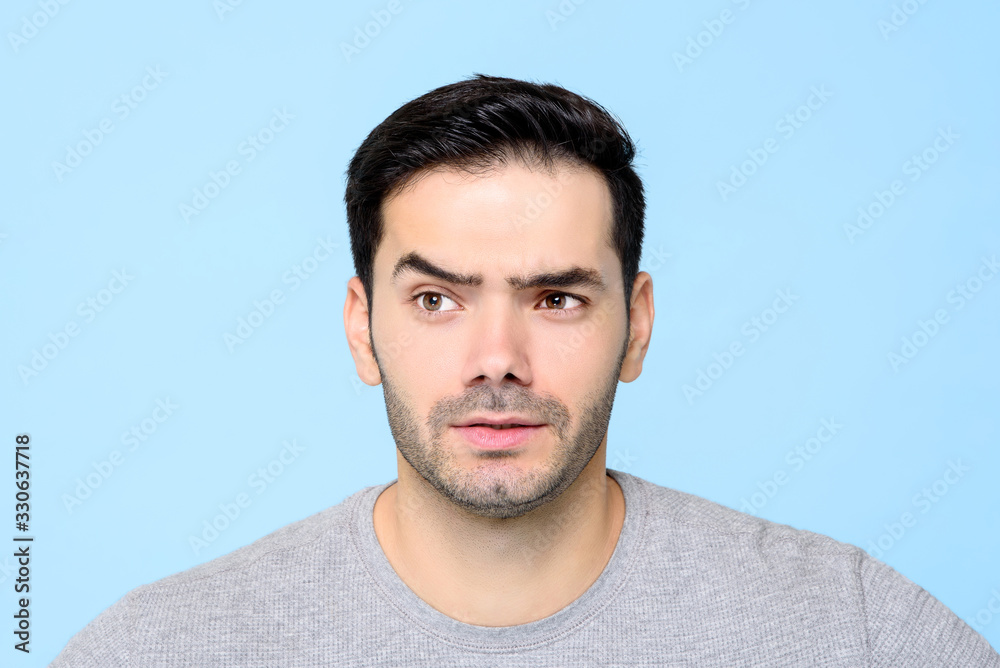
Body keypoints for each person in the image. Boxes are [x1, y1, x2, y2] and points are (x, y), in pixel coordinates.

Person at [51, 74, 999, 667]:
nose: (496, 358)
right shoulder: (160, 649)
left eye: (556, 298)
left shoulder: (849, 632)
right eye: (435, 300)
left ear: (637, 327)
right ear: (359, 328)